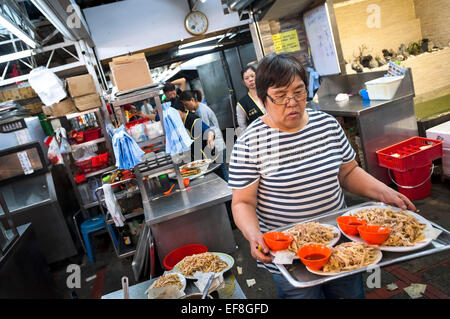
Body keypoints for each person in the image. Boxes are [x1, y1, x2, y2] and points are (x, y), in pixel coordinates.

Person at [228, 53, 416, 299]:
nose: (292, 102)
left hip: (338, 244)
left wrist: (386, 192)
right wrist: (254, 236)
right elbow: (243, 202)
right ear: (263, 99)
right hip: (288, 255)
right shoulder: (249, 143)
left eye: (298, 92)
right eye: (281, 96)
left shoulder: (326, 125)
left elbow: (348, 172)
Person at [179, 90, 228, 182]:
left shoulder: (201, 111)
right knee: (222, 173)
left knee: (223, 174)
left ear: (193, 100)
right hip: (213, 144)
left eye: (186, 104)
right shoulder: (197, 110)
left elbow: (205, 131)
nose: (186, 108)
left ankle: (233, 192)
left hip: (216, 144)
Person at [236, 65, 266, 136]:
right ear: (244, 82)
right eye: (247, 78)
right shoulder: (242, 104)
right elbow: (243, 126)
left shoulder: (268, 93)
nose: (250, 80)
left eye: (252, 76)